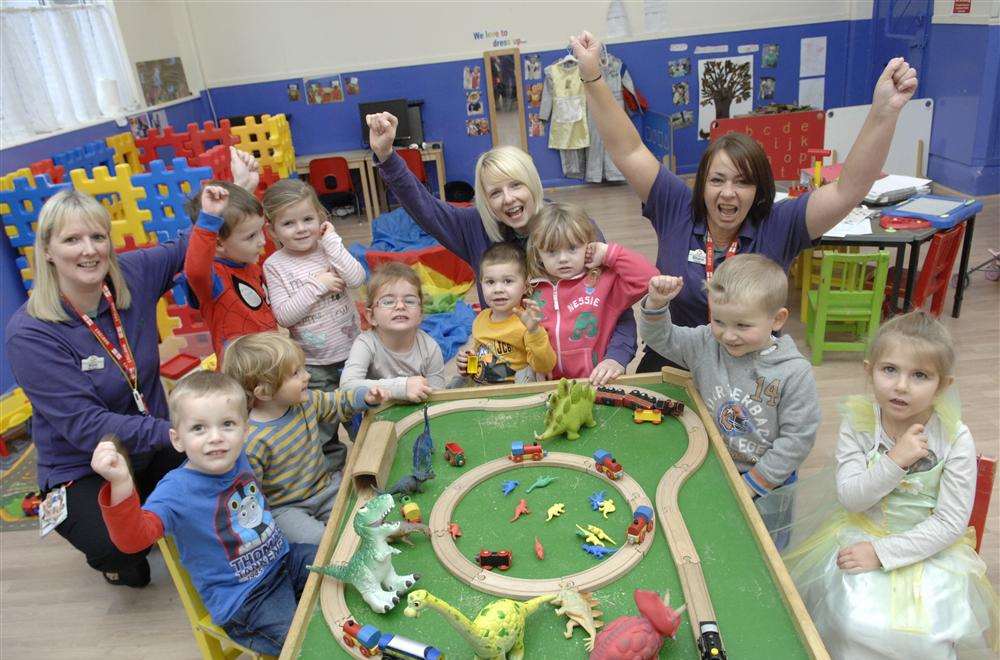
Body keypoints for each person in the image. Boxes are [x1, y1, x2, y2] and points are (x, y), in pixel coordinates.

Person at [571, 30, 919, 372]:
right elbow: (627, 148)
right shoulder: (675, 205)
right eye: (717, 180)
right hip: (676, 360)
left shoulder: (780, 224)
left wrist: (884, 113)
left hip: (752, 369)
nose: (728, 193)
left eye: (742, 182)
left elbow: (849, 189)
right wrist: (593, 76)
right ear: (702, 184)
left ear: (759, 190)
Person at [781, 311, 997, 658]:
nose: (901, 385)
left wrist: (882, 554)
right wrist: (895, 460)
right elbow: (852, 498)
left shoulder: (955, 438)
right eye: (890, 370)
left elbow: (950, 523)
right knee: (849, 620)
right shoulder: (860, 423)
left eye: (920, 375)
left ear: (943, 386)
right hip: (862, 531)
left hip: (929, 550)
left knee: (925, 636)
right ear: (870, 370)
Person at [366, 112, 636, 385]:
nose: (508, 199)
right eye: (495, 193)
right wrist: (387, 156)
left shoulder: (572, 227)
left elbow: (616, 301)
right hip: (508, 377)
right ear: (485, 200)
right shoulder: (476, 227)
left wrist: (617, 356)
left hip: (580, 369)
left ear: (532, 182)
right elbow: (425, 208)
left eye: (516, 185)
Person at [5, 189, 188, 587]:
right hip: (84, 465)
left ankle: (147, 507)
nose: (88, 250)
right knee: (122, 549)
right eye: (71, 240)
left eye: (97, 237)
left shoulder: (132, 275)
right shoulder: (31, 334)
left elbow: (193, 243)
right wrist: (176, 433)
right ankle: (118, 557)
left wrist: (228, 189)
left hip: (153, 446)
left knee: (221, 477)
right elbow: (87, 427)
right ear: (48, 251)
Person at [91, 370, 317, 655]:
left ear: (245, 430)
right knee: (306, 644)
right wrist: (121, 484)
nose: (215, 438)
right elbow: (133, 541)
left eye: (227, 424)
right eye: (199, 428)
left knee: (337, 573)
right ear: (177, 439)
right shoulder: (176, 490)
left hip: (284, 561)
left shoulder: (239, 456)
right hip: (244, 600)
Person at [638, 255, 819, 508]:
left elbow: (797, 439)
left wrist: (754, 483)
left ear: (777, 319)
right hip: (713, 464)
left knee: (766, 541)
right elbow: (661, 337)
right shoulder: (705, 344)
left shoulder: (794, 373)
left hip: (769, 480)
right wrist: (657, 302)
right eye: (719, 321)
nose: (729, 335)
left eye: (743, 325)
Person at [222, 332, 385, 545]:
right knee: (320, 541)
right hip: (287, 509)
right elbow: (252, 494)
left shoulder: (304, 402)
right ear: (264, 392)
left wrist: (364, 397)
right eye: (295, 373)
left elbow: (335, 403)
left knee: (374, 514)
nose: (307, 376)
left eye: (303, 368)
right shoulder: (252, 440)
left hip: (324, 488)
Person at [262, 178, 366, 449]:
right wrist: (317, 286)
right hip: (313, 365)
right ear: (272, 230)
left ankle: (372, 456)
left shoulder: (329, 249)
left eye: (307, 219)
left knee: (363, 416)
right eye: (288, 223)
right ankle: (331, 470)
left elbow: (357, 279)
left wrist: (332, 242)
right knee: (322, 425)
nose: (300, 229)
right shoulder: (275, 265)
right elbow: (284, 316)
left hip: (354, 353)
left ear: (320, 217)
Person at [527, 202, 659, 380]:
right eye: (552, 252)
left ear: (588, 245)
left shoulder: (604, 282)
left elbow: (649, 278)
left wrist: (607, 253)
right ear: (538, 254)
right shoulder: (530, 289)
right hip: (548, 385)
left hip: (599, 380)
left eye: (573, 248)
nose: (563, 259)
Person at [184, 182, 277, 361]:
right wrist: (208, 221)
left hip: (269, 356)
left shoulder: (247, 261)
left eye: (260, 231)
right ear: (218, 243)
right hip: (242, 369)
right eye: (251, 236)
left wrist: (245, 183)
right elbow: (196, 271)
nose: (262, 241)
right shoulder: (215, 277)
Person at [340, 262, 446, 402]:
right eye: (388, 302)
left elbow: (438, 397)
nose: (400, 306)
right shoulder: (365, 343)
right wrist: (402, 387)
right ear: (371, 317)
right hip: (376, 416)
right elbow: (346, 388)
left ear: (420, 314)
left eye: (409, 301)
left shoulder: (430, 348)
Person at [455, 242, 555, 384]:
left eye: (508, 281)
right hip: (484, 390)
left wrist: (534, 331)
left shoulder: (527, 322)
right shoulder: (480, 319)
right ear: (480, 284)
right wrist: (467, 364)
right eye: (490, 282)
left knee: (526, 374)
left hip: (515, 394)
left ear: (525, 286)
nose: (498, 289)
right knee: (456, 382)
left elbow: (545, 366)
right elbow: (478, 358)